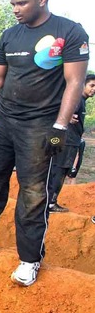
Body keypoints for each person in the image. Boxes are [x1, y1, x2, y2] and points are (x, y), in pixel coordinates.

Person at [0, 0, 89, 287]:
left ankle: (30, 259)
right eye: (13, 3)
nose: (15, 9)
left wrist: (59, 127)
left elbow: (74, 82)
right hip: (4, 120)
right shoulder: (10, 35)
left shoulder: (69, 32)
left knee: (32, 193)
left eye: (22, 2)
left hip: (40, 125)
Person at [48, 74, 95, 212]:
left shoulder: (79, 100)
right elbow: (64, 111)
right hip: (67, 141)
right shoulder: (77, 100)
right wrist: (67, 117)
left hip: (62, 138)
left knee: (55, 168)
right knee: (60, 170)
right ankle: (51, 202)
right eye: (91, 85)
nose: (93, 89)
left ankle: (48, 200)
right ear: (83, 85)